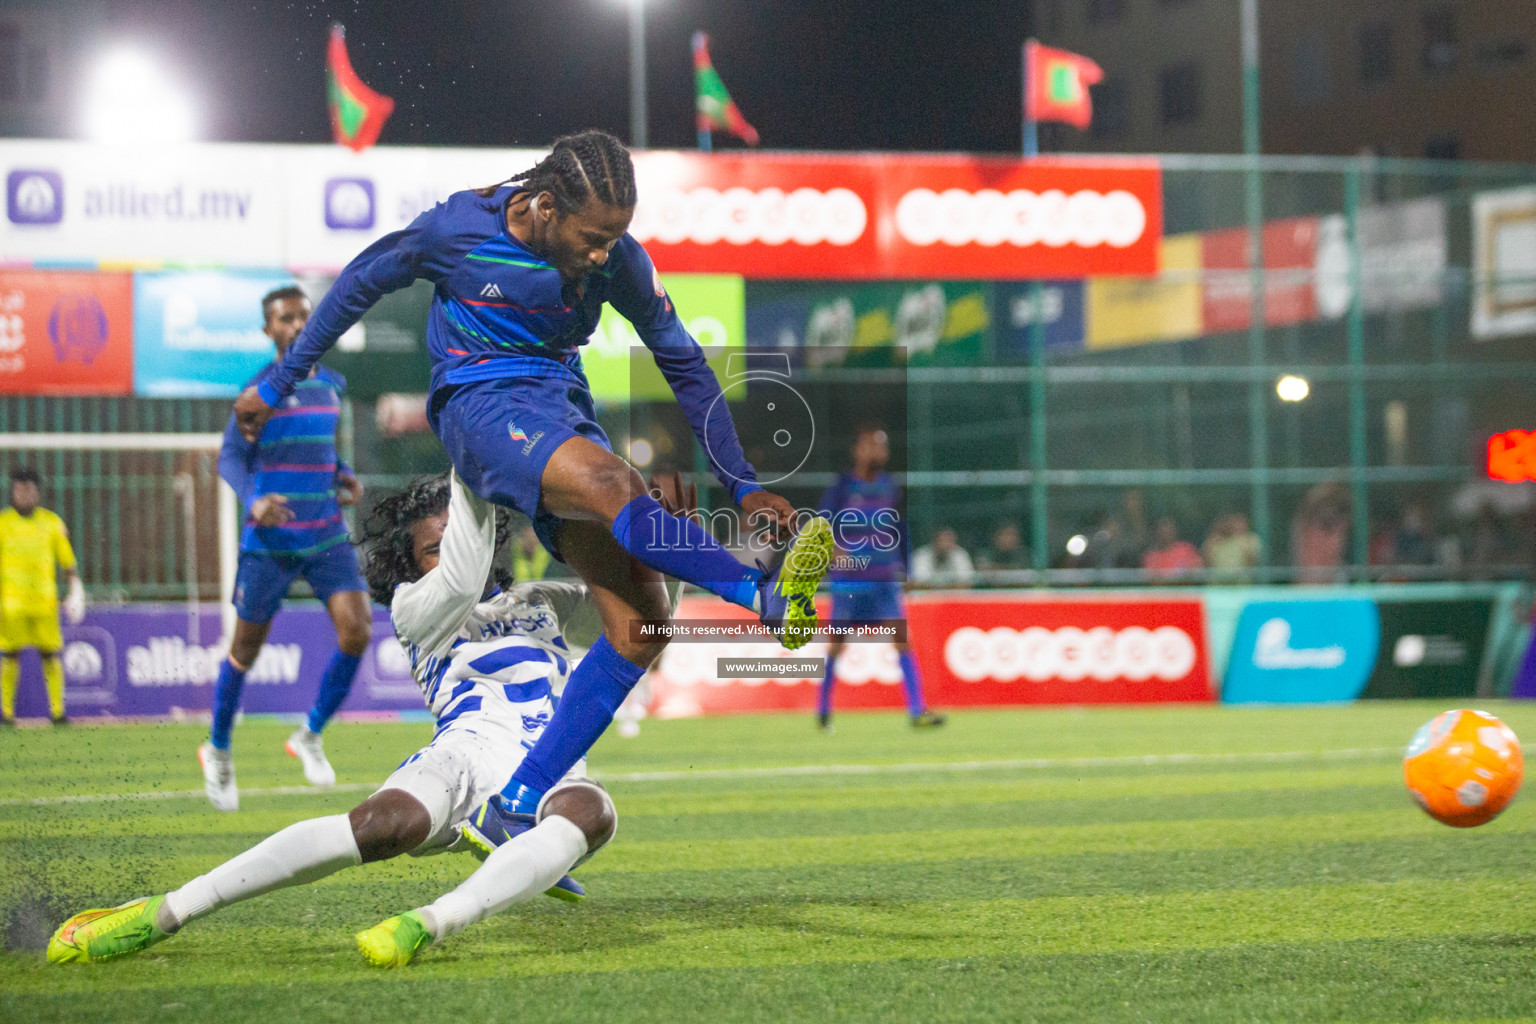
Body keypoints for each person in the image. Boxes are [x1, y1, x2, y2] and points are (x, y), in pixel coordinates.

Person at [231, 130, 832, 817]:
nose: (605, 253)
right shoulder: (457, 229)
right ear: (544, 207)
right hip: (479, 405)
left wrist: (744, 482)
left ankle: (514, 803)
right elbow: (355, 287)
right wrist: (278, 383)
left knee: (642, 627)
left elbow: (685, 362)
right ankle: (762, 591)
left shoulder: (618, 263)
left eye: (615, 238)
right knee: (615, 486)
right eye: (593, 237)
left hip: (561, 412)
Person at [46, 470, 692, 969]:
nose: (449, 552)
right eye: (431, 547)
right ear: (409, 564)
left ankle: (428, 924)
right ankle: (165, 911)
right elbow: (462, 579)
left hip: (547, 769)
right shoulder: (418, 606)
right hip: (462, 757)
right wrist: (476, 457)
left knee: (593, 813)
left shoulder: (543, 599)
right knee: (386, 826)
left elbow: (645, 628)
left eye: (456, 538)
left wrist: (670, 559)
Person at [203, 286, 372, 811]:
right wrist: (253, 500)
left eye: (304, 315)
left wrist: (341, 474)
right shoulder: (257, 392)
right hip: (271, 539)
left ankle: (310, 735)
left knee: (357, 630)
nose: (298, 325)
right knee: (244, 651)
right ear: (268, 330)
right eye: (285, 318)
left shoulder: (331, 386)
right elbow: (230, 458)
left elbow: (317, 448)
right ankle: (219, 749)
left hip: (324, 530)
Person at [816, 426, 945, 731]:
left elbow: (900, 530)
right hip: (850, 582)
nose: (879, 452)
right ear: (857, 450)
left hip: (884, 580)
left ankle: (917, 711)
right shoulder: (843, 486)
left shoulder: (890, 486)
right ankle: (822, 710)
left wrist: (908, 569)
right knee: (836, 644)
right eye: (872, 446)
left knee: (903, 640)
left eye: (882, 447)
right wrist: (833, 550)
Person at [0, 468, 84, 725]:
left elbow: (67, 562)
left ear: (37, 493)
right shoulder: (3, 523)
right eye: (20, 490)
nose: (24, 495)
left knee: (50, 655)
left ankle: (57, 713)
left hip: (44, 604)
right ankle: (6, 714)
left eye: (29, 490)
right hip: (11, 605)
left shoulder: (51, 523)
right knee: (10, 656)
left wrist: (76, 588)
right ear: (13, 492)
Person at [1202, 513, 1262, 584]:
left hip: (1242, 587)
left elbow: (1253, 564)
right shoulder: (1214, 542)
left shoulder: (1250, 540)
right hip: (1218, 587)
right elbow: (1207, 566)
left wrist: (1244, 546)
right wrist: (1210, 546)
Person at [910, 527, 976, 589]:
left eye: (948, 541)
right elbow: (918, 583)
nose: (945, 544)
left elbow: (966, 582)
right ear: (935, 541)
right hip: (927, 598)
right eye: (942, 540)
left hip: (955, 597)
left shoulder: (960, 555)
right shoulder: (922, 555)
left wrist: (942, 587)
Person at [1142, 517, 1203, 582]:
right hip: (1162, 591)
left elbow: (1199, 571)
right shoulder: (1151, 557)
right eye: (1161, 529)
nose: (1165, 533)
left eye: (1168, 528)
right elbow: (1149, 580)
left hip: (1185, 590)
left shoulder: (1186, 549)